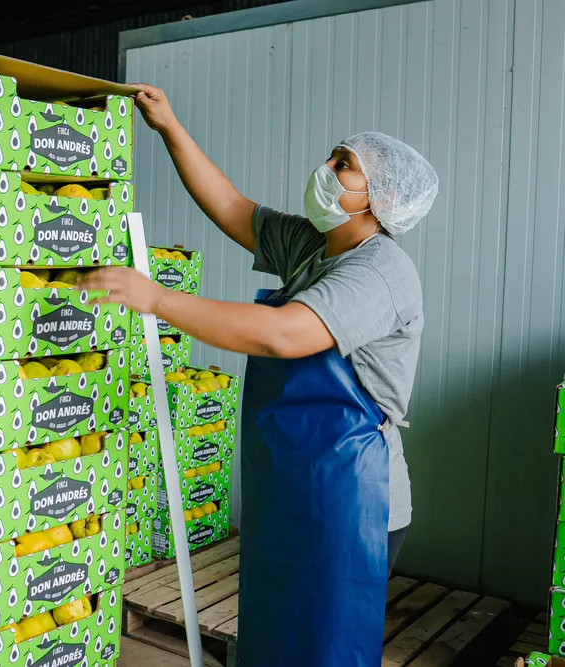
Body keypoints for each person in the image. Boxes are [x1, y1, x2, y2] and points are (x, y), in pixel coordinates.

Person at [78, 84, 438, 666]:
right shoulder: (312, 246)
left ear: (381, 197)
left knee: (325, 648)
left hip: (353, 500)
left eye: (343, 165)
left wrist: (156, 299)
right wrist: (169, 125)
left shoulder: (383, 271)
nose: (325, 168)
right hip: (292, 488)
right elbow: (232, 207)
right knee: (275, 635)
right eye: (332, 155)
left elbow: (285, 334)